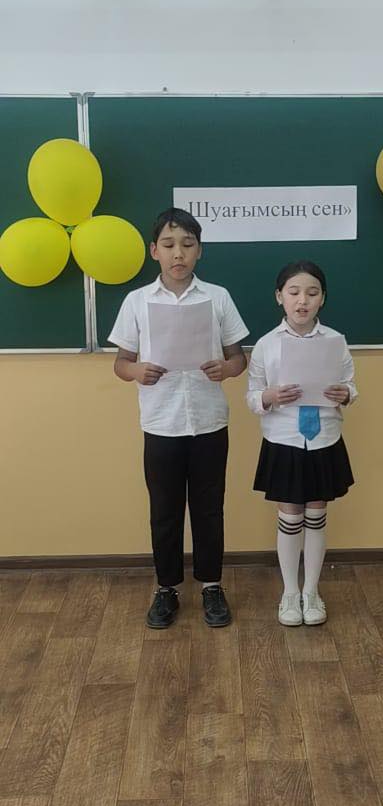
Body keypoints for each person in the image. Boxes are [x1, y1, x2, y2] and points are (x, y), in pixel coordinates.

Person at [109, 207, 249, 630]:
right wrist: (137, 371)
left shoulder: (217, 297)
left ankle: (212, 586)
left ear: (199, 250)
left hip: (209, 421)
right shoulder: (138, 301)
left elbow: (238, 357)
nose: (178, 254)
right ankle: (166, 588)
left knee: (209, 509)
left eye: (188, 245)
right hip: (161, 423)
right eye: (169, 245)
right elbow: (121, 363)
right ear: (154, 250)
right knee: (164, 510)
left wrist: (227, 369)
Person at [247, 261, 356, 626]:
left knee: (316, 514)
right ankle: (290, 593)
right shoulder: (266, 344)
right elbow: (252, 396)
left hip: (323, 438)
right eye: (294, 292)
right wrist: (270, 396)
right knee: (290, 515)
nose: (302, 300)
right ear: (279, 297)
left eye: (312, 293)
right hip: (284, 439)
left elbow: (350, 385)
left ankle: (311, 591)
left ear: (322, 298)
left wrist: (346, 394)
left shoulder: (335, 341)